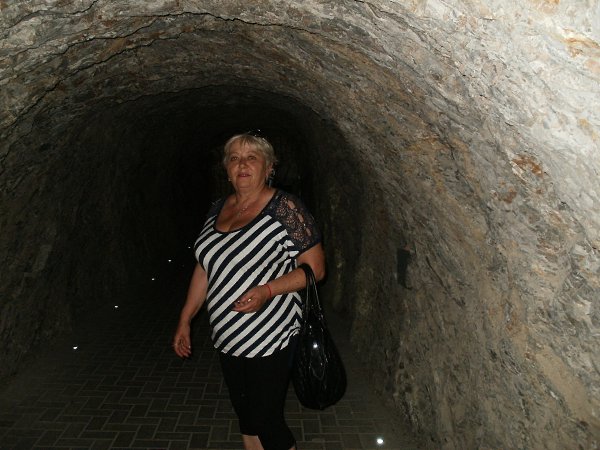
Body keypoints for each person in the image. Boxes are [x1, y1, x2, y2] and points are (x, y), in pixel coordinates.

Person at [173, 132, 325, 450]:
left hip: (271, 333)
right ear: (227, 169)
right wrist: (186, 318)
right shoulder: (218, 208)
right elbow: (204, 267)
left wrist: (267, 291)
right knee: (246, 415)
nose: (242, 164)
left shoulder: (285, 208)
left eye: (251, 158)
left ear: (269, 167)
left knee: (267, 420)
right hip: (227, 334)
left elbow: (315, 269)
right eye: (234, 158)